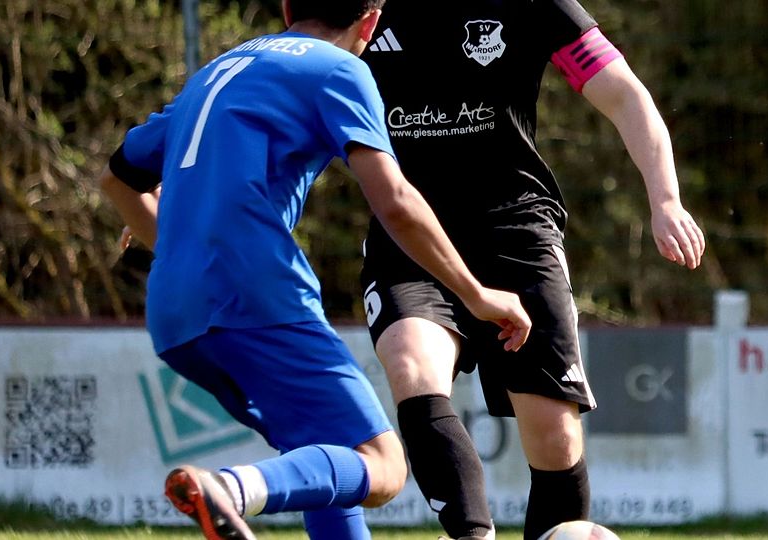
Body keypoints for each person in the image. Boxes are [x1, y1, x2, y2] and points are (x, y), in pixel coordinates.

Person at [98, 1, 532, 539]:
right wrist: (476, 293)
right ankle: (231, 489)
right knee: (383, 465)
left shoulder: (219, 71)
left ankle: (233, 491)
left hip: (173, 310)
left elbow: (118, 179)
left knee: (324, 451)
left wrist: (180, 245)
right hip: (255, 292)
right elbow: (395, 201)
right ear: (370, 23)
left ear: (287, 8)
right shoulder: (337, 69)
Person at [359, 2, 706, 539]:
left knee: (554, 437)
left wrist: (666, 200)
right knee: (411, 366)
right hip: (409, 229)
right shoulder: (368, 7)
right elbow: (307, 88)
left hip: (516, 231)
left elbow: (623, 93)